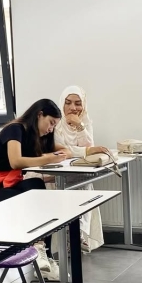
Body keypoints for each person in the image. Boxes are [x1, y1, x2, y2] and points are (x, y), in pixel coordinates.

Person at [0, 98, 68, 280]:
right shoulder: (15, 129)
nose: (51, 129)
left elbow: (65, 150)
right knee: (35, 201)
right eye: (51, 123)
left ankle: (43, 253)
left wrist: (61, 153)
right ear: (39, 115)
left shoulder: (33, 137)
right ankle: (41, 251)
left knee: (37, 186)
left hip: (10, 182)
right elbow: (16, 162)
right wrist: (49, 158)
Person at [54, 86, 108, 252]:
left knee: (85, 183)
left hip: (78, 171)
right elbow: (64, 151)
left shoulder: (85, 120)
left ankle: (79, 234)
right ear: (62, 104)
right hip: (57, 172)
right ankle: (72, 236)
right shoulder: (56, 123)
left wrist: (79, 125)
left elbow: (89, 145)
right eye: (68, 103)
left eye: (78, 103)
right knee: (80, 185)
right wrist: (85, 151)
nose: (73, 108)